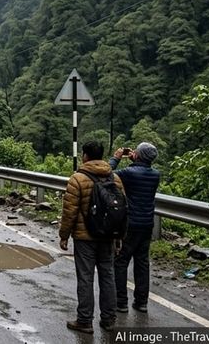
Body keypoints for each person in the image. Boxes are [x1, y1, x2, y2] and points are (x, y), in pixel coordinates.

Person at [59, 141, 125, 334]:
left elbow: (69, 211)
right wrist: (119, 237)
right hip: (108, 236)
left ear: (85, 156)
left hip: (84, 237)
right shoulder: (116, 178)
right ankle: (109, 319)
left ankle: (85, 320)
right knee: (108, 275)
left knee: (86, 277)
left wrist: (64, 235)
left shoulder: (77, 179)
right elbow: (121, 211)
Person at [111, 142, 161, 314]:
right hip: (147, 224)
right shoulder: (155, 174)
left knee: (121, 261)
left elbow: (106, 174)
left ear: (138, 155)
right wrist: (136, 158)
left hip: (130, 224)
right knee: (142, 262)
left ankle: (121, 302)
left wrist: (117, 158)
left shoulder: (129, 173)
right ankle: (141, 302)